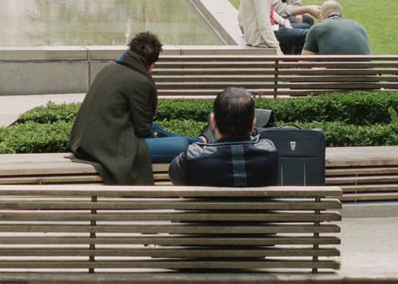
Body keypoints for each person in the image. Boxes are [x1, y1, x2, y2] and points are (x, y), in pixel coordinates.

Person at [69, 31, 167, 184]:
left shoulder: (109, 68)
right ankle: (200, 143)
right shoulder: (140, 80)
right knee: (181, 145)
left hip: (88, 141)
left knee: (159, 130)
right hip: (113, 148)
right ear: (151, 64)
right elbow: (142, 130)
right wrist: (152, 135)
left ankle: (201, 140)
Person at [168, 88, 281, 187]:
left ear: (213, 122)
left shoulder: (193, 157)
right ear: (253, 125)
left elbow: (175, 177)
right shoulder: (269, 152)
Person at [303, 0, 370, 55]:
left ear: (322, 17)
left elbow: (304, 64)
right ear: (343, 17)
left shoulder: (318, 28)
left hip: (336, 71)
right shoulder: (359, 27)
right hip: (366, 71)